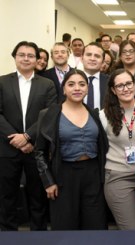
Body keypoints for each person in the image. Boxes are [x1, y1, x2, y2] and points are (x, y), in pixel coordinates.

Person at [35, 69, 108, 230]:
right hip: (63, 175)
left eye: (82, 84)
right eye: (71, 84)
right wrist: (48, 181)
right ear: (63, 89)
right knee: (65, 225)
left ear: (87, 89)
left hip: (93, 175)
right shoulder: (49, 114)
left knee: (95, 224)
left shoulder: (94, 114)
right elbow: (39, 151)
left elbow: (103, 146)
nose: (77, 88)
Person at [0, 41, 57, 231]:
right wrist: (14, 138)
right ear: (15, 57)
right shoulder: (2, 82)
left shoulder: (47, 84)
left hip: (36, 148)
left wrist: (27, 137)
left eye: (30, 55)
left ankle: (38, 236)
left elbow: (49, 113)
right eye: (21, 55)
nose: (26, 58)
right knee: (6, 197)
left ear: (37, 59)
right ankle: (8, 236)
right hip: (7, 149)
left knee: (37, 197)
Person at [100, 69, 135, 229]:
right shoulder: (104, 115)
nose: (126, 88)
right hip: (118, 178)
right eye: (120, 85)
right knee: (132, 230)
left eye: (128, 83)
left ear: (134, 84)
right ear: (113, 90)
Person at [82, 42, 109, 109]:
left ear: (103, 61)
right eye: (88, 55)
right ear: (81, 58)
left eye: (97, 56)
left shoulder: (110, 82)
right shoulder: (70, 80)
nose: (92, 59)